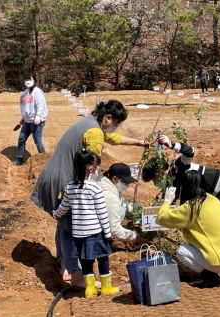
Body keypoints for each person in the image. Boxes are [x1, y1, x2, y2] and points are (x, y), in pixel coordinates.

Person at [30, 100, 148, 290]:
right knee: (70, 229)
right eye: (116, 123)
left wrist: (140, 143)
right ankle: (75, 274)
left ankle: (64, 264)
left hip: (52, 175)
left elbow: (113, 139)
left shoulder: (90, 123)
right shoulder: (94, 132)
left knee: (63, 224)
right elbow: (92, 168)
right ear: (108, 118)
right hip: (63, 179)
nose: (115, 128)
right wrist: (93, 195)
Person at [156, 171, 220, 288]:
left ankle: (211, 277)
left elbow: (162, 218)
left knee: (181, 250)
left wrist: (167, 201)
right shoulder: (213, 200)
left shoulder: (191, 207)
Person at [52, 149, 120, 298]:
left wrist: (55, 214)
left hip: (79, 234)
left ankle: (89, 289)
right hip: (95, 232)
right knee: (102, 258)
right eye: (95, 165)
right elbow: (102, 213)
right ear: (90, 167)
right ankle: (106, 287)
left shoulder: (70, 186)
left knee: (85, 262)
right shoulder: (95, 187)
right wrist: (108, 233)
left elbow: (64, 208)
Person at [143, 136, 220, 213]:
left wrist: (171, 144)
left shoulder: (179, 166)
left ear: (161, 171)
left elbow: (190, 152)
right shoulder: (170, 186)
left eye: (154, 179)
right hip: (210, 194)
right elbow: (169, 207)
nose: (155, 183)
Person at [99, 163, 147, 244]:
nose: (127, 185)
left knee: (122, 208)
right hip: (96, 235)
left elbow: (125, 204)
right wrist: (135, 236)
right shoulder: (109, 196)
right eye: (125, 182)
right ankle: (103, 239)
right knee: (120, 210)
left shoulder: (108, 185)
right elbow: (114, 228)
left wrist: (144, 210)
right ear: (115, 179)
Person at [13, 74, 47, 165]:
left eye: (30, 79)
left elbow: (41, 104)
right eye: (26, 79)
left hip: (37, 120)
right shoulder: (24, 93)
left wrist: (38, 115)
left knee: (37, 140)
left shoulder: (37, 92)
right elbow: (25, 106)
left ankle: (45, 160)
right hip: (27, 121)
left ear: (34, 80)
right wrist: (23, 117)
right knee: (21, 138)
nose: (28, 80)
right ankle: (19, 159)